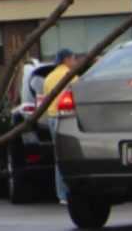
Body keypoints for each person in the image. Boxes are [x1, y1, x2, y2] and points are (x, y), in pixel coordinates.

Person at [43, 48, 82, 204]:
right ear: (66, 60)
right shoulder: (71, 77)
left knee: (59, 158)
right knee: (71, 156)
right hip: (66, 118)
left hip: (52, 118)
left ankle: (61, 195)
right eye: (73, 58)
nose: (75, 62)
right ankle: (71, 192)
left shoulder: (48, 78)